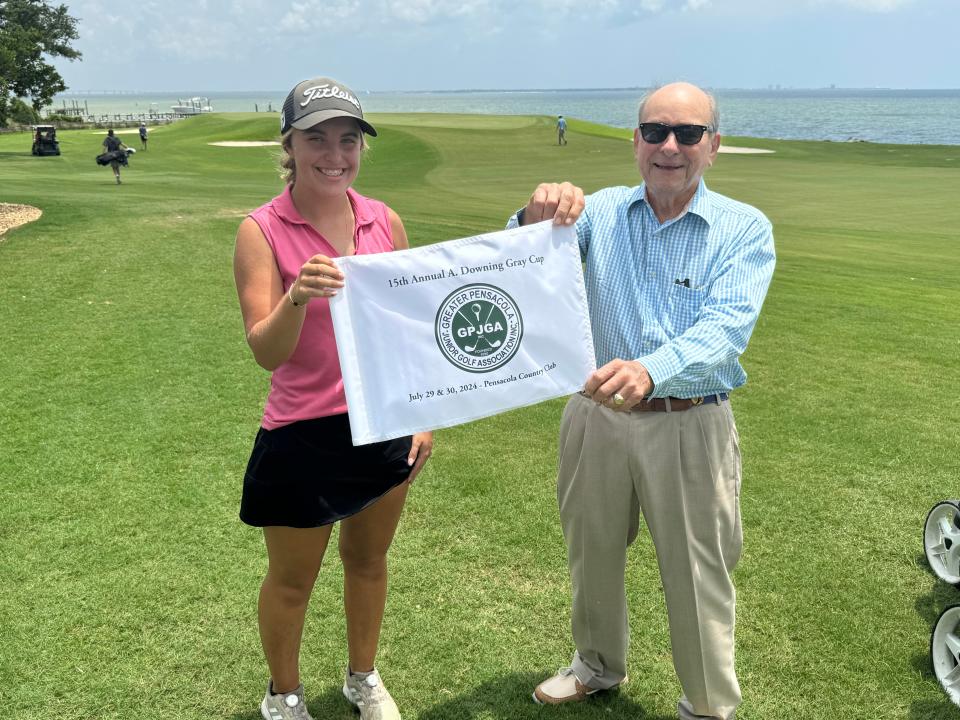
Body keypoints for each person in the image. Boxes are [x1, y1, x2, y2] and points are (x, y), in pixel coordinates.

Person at [510, 82, 776, 720]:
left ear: (713, 145)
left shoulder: (743, 228)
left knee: (696, 572)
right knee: (591, 550)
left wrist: (652, 371)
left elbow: (725, 329)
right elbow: (520, 268)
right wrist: (530, 219)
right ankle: (597, 666)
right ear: (635, 142)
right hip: (594, 416)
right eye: (655, 131)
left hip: (688, 419)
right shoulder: (597, 213)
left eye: (688, 133)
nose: (670, 146)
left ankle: (708, 704)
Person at [233, 76, 433, 720]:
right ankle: (283, 694)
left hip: (382, 422)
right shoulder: (261, 230)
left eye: (347, 139)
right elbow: (267, 350)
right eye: (315, 137)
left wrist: (420, 414)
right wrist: (298, 297)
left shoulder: (384, 220)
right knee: (292, 582)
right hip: (301, 432)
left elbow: (406, 331)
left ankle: (363, 678)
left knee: (368, 560)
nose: (334, 153)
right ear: (288, 144)